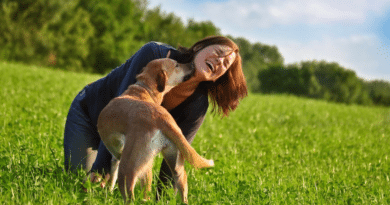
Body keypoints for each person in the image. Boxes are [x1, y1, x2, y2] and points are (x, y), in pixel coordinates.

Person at [63, 35, 248, 199]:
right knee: (82, 184)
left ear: (219, 76)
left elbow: (174, 157)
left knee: (114, 190)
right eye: (218, 53)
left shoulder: (197, 105)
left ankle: (113, 168)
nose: (219, 62)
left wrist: (163, 199)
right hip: (89, 115)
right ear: (199, 47)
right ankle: (103, 166)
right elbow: (120, 102)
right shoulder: (155, 54)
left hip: (127, 141)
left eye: (226, 64)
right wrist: (101, 167)